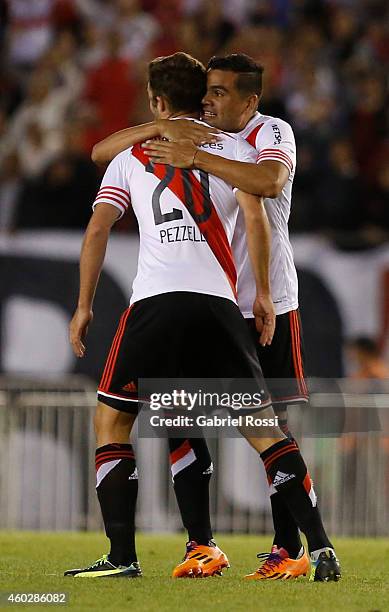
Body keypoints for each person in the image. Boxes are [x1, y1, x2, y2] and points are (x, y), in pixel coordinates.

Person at [92, 52, 341, 582]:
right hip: (222, 299)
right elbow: (104, 149)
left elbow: (268, 181)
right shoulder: (195, 131)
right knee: (182, 417)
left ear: (249, 100)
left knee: (272, 423)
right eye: (205, 91)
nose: (208, 100)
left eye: (221, 92)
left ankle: (289, 547)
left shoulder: (268, 132)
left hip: (268, 298)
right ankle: (201, 544)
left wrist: (195, 157)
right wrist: (163, 127)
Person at [65, 51, 279, 579]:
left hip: (155, 301)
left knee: (114, 420)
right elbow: (256, 212)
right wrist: (263, 292)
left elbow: (97, 228)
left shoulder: (134, 152)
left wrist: (84, 305)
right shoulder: (230, 148)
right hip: (219, 304)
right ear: (200, 97)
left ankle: (122, 557)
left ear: (157, 100)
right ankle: (226, 543)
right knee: (210, 421)